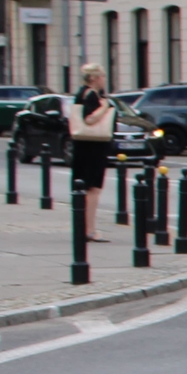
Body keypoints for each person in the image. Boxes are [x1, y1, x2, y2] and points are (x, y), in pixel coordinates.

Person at [68, 64, 114, 242]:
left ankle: (83, 228)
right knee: (92, 189)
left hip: (83, 147)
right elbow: (90, 119)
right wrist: (105, 107)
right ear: (94, 78)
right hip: (93, 147)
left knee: (82, 188)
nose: (104, 80)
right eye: (102, 76)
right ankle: (89, 229)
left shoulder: (81, 93)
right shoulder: (92, 95)